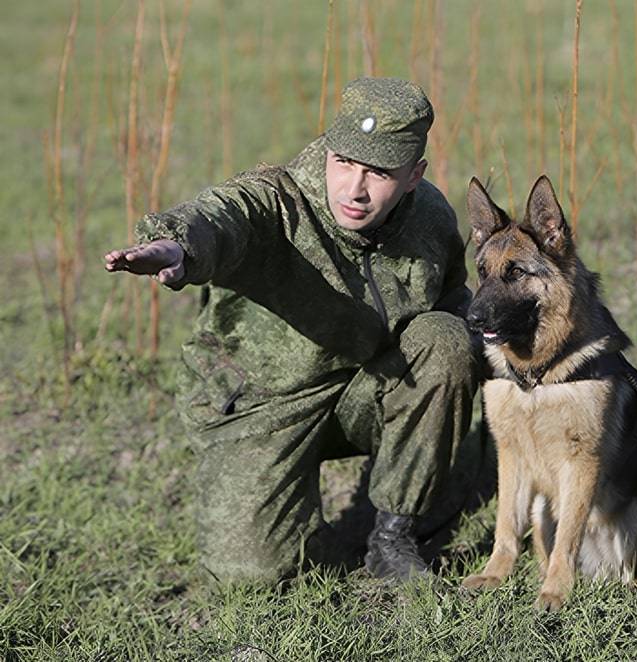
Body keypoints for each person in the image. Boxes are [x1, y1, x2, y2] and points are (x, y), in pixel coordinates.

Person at [104, 77, 479, 584]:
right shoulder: (277, 200)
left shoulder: (430, 217)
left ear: (414, 175)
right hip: (261, 403)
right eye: (343, 162)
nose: (355, 188)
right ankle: (301, 526)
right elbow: (224, 215)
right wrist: (177, 246)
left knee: (445, 338)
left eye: (378, 172)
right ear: (327, 149)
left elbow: (454, 301)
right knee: (249, 573)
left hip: (360, 390)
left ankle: (394, 535)